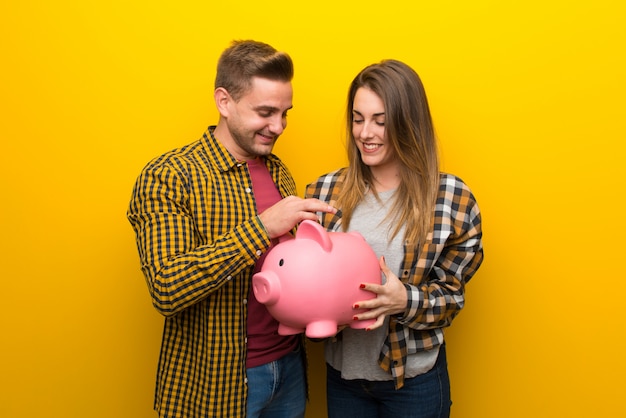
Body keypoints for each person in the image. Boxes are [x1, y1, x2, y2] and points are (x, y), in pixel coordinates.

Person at [127, 39, 337, 418]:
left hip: (290, 370)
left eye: (286, 113)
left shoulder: (277, 170)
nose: (279, 127)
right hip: (218, 382)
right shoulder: (169, 176)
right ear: (224, 102)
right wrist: (262, 227)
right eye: (266, 112)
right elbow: (166, 286)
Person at [305, 59, 484, 418]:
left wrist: (404, 300)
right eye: (358, 119)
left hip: (413, 381)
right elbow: (306, 278)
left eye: (380, 121)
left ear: (408, 123)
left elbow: (452, 298)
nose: (365, 133)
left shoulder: (451, 199)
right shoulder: (324, 191)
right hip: (344, 380)